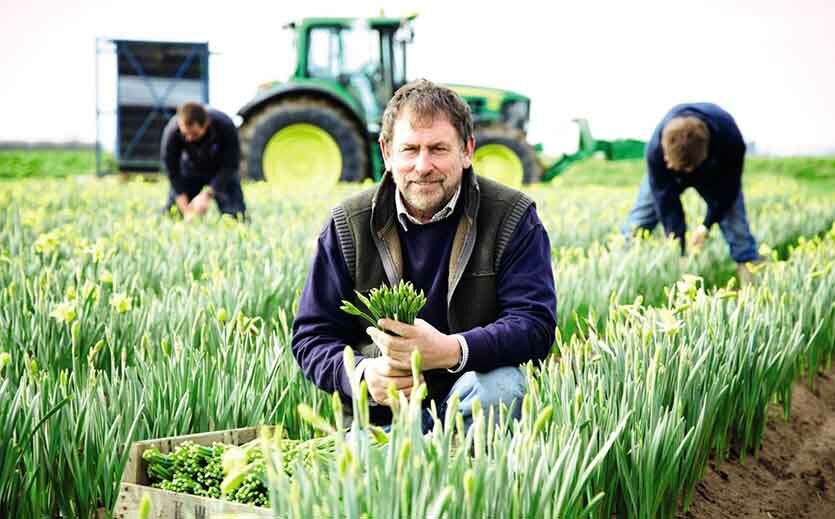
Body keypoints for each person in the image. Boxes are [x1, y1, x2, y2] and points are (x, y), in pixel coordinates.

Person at [291, 79, 557, 430]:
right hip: (386, 412)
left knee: (502, 389)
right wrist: (365, 374)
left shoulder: (512, 216)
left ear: (467, 151)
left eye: (438, 149)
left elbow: (534, 325)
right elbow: (312, 335)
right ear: (387, 153)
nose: (423, 165)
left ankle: (485, 479)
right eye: (410, 149)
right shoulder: (347, 224)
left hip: (473, 401)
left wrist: (451, 350)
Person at [621, 102, 760, 283]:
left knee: (736, 224)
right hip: (668, 172)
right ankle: (620, 267)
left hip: (715, 171)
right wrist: (678, 244)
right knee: (639, 220)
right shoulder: (656, 151)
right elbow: (665, 202)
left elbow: (729, 191)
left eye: (686, 170)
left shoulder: (730, 140)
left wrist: (706, 226)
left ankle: (751, 282)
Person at [160, 102, 247, 220]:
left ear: (206, 124)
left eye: (194, 134)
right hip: (190, 168)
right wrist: (186, 210)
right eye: (185, 135)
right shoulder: (172, 131)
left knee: (237, 217)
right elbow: (172, 171)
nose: (189, 139)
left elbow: (230, 165)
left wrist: (207, 195)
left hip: (220, 171)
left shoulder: (225, 125)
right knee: (171, 215)